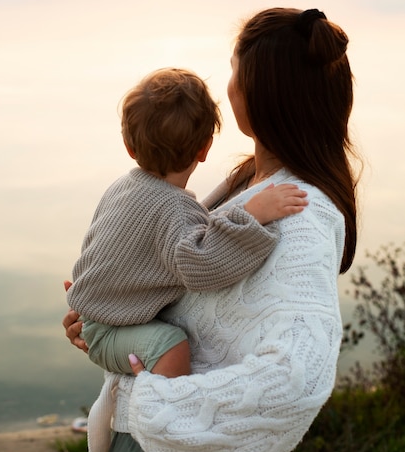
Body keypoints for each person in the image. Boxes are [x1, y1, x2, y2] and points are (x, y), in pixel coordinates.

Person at [63, 7, 360, 452]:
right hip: (146, 439)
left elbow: (297, 375)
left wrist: (158, 405)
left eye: (234, 72)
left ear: (262, 95)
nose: (227, 87)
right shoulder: (246, 184)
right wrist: (111, 310)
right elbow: (178, 277)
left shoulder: (303, 216)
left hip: (172, 449)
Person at [67, 67, 308, 382]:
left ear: (130, 147)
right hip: (110, 329)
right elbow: (203, 265)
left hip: (96, 317)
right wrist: (251, 216)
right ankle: (167, 419)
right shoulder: (174, 209)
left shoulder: (122, 186)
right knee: (172, 347)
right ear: (204, 148)